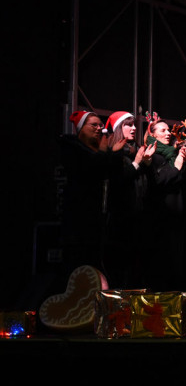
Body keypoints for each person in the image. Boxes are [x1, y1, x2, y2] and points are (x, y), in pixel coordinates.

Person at [58, 110, 124, 273]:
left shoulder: (98, 151)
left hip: (98, 224)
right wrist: (104, 152)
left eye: (101, 126)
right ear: (81, 128)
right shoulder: (72, 148)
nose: (98, 129)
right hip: (78, 225)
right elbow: (91, 170)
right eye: (93, 125)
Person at [144, 115, 186, 290]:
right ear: (152, 134)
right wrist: (178, 163)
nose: (168, 133)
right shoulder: (153, 155)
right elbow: (161, 181)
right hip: (162, 218)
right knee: (163, 266)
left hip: (178, 218)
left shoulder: (173, 153)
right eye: (163, 130)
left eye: (168, 130)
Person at [104, 111, 156, 286]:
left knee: (139, 269)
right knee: (122, 270)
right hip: (122, 221)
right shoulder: (113, 152)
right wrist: (137, 163)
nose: (134, 128)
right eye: (128, 124)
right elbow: (117, 181)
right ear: (119, 128)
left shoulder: (136, 150)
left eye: (134, 124)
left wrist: (147, 163)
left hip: (140, 219)